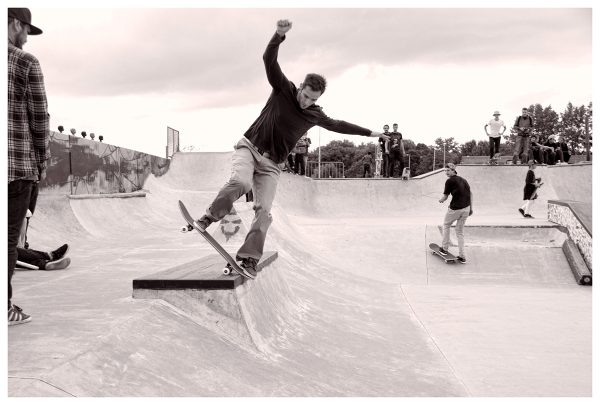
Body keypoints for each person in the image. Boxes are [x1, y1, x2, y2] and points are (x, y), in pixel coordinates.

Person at [193, 19, 388, 277]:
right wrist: (279, 35)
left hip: (273, 165)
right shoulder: (283, 89)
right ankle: (209, 216)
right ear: (301, 88)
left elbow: (339, 125)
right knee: (241, 183)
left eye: (313, 99)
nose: (307, 102)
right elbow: (268, 60)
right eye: (305, 95)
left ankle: (249, 258)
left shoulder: (315, 114)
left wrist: (372, 133)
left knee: (264, 212)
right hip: (249, 148)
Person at [438, 163, 473, 264]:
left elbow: (445, 196)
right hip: (466, 208)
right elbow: (470, 194)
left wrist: (441, 200)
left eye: (448, 170)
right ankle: (462, 256)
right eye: (445, 170)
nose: (446, 172)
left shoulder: (449, 181)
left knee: (446, 225)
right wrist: (470, 208)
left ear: (453, 170)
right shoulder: (464, 180)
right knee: (459, 231)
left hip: (456, 209)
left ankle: (444, 249)